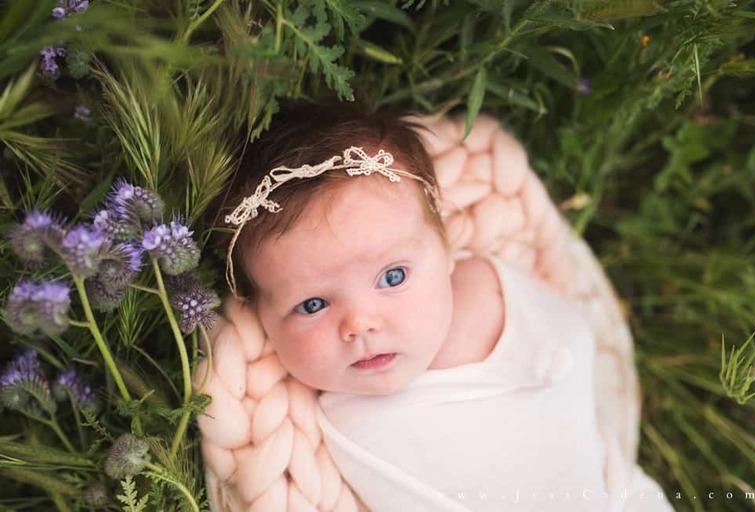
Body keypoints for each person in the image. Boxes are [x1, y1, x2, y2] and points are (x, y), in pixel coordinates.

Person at [214, 101, 672, 511]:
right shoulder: (309, 440)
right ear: (264, 317)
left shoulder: (489, 296)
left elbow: (570, 339)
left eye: (393, 277)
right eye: (312, 304)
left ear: (447, 252)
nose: (360, 324)